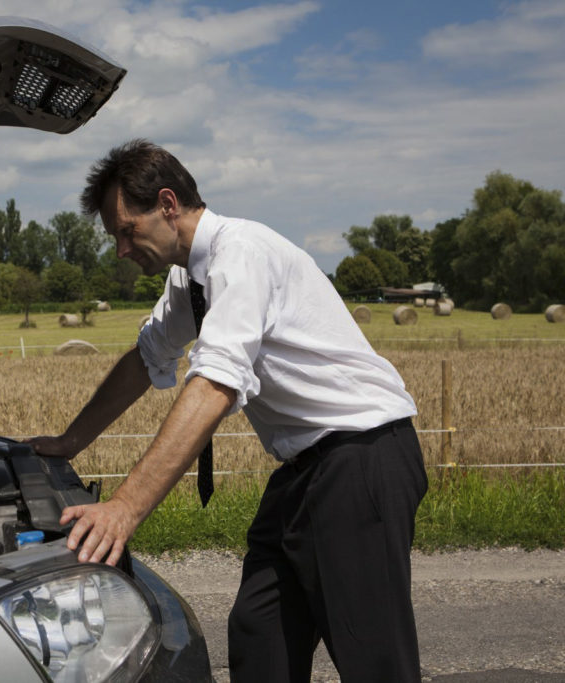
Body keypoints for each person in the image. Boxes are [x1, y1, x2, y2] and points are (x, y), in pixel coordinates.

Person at [27, 139, 427, 682]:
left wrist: (123, 509)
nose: (121, 249)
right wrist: (70, 442)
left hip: (361, 457)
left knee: (373, 655)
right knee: (260, 634)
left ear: (167, 204)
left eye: (126, 230)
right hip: (305, 470)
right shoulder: (187, 276)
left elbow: (214, 383)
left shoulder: (241, 253)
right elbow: (146, 360)